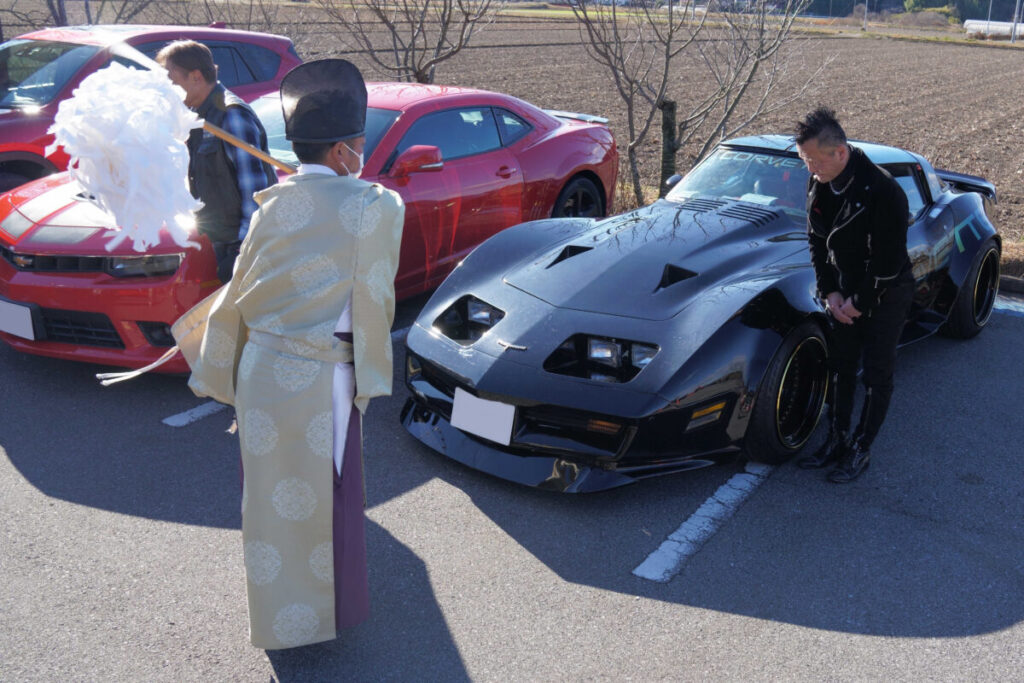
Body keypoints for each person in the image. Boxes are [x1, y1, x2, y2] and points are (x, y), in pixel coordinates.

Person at [170, 59, 404, 648]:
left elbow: (244, 287)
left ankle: (278, 620)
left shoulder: (273, 205)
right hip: (321, 375)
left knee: (271, 503)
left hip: (264, 374)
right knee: (326, 497)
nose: (362, 152)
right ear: (348, 147)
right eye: (359, 144)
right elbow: (376, 295)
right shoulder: (377, 207)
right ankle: (325, 617)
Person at [793, 107, 914, 483]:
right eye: (805, 161)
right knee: (840, 367)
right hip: (842, 292)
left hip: (886, 293)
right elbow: (815, 240)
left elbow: (887, 263)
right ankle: (836, 438)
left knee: (877, 375)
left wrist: (858, 304)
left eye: (813, 160)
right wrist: (829, 291)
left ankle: (861, 449)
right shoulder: (818, 182)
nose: (810, 169)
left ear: (840, 153)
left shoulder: (884, 192)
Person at [156, 40, 276, 283]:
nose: (167, 88)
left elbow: (255, 189)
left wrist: (244, 249)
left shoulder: (230, 115)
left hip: (241, 246)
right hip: (218, 239)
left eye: (171, 79)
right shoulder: (196, 117)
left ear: (196, 76)